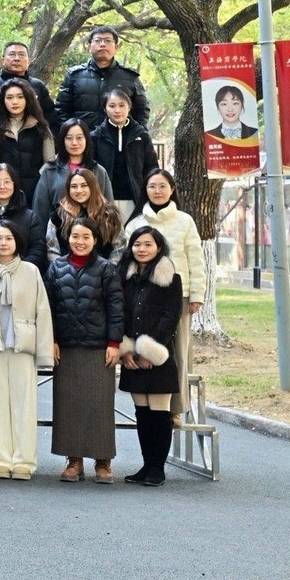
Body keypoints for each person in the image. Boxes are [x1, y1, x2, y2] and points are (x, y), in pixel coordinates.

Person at [45, 217, 125, 483]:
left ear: (95, 240)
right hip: (65, 347)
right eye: (75, 236)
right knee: (68, 405)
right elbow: (48, 308)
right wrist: (51, 339)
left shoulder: (106, 269)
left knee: (100, 405)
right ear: (67, 238)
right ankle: (74, 461)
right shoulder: (55, 268)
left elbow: (116, 308)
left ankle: (103, 462)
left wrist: (114, 343)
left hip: (98, 347)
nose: (80, 242)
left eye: (86, 237)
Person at [122, 169, 205, 419]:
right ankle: (152, 407)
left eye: (162, 186)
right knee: (145, 345)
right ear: (145, 190)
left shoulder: (185, 221)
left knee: (178, 351)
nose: (157, 191)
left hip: (180, 294)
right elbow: (127, 260)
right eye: (152, 186)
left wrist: (197, 294)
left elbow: (196, 259)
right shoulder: (135, 223)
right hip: (143, 295)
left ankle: (175, 409)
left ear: (172, 189)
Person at [0, 219, 54, 480]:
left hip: (23, 345)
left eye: (8, 238)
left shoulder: (31, 271)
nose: (3, 243)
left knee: (25, 405)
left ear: (17, 241)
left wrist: (44, 351)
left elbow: (42, 310)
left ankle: (24, 461)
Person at [117, 227, 183, 486]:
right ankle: (146, 465)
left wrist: (149, 352)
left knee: (159, 413)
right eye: (137, 244)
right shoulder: (124, 277)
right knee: (142, 413)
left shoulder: (171, 279)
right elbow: (118, 313)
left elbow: (171, 317)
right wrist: (126, 351)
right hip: (131, 355)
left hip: (158, 355)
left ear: (159, 247)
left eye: (148, 244)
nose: (142, 249)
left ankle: (158, 468)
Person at [55, 25, 150, 129]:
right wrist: (68, 132)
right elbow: (61, 109)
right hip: (84, 137)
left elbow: (142, 111)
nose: (102, 44)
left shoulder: (130, 78)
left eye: (108, 41)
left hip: (118, 137)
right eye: (98, 40)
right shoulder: (74, 75)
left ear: (116, 47)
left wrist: (136, 135)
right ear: (89, 46)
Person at [31, 118, 116, 232]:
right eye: (69, 138)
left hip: (93, 236)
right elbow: (40, 210)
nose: (74, 143)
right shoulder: (50, 171)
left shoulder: (99, 171)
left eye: (79, 137)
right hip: (57, 234)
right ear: (62, 140)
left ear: (87, 139)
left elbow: (109, 210)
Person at [91, 87, 156, 221]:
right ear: (105, 109)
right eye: (112, 106)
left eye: (122, 105)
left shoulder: (141, 136)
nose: (117, 110)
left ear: (129, 107)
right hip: (104, 200)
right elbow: (90, 169)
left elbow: (151, 167)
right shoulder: (95, 137)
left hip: (135, 199)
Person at [0, 163, 46, 269]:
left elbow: (38, 249)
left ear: (14, 185)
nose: (2, 186)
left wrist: (18, 271)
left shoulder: (30, 217)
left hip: (22, 275)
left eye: (7, 182)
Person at [0, 79, 55, 204]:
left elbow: (49, 163)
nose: (15, 102)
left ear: (28, 99)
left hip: (35, 193)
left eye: (20, 97)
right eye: (9, 97)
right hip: (3, 192)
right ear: (2, 101)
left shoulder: (41, 128)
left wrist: (39, 183)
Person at [45, 169, 121, 262]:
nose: (79, 190)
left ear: (93, 186)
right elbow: (52, 249)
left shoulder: (109, 213)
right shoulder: (58, 213)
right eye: (74, 186)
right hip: (65, 268)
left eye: (84, 185)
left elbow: (120, 247)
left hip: (103, 268)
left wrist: (109, 268)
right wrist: (60, 268)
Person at [0, 40, 59, 127]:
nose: (17, 58)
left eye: (21, 55)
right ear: (3, 60)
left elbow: (51, 119)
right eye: (12, 54)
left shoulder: (38, 86)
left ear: (29, 61)